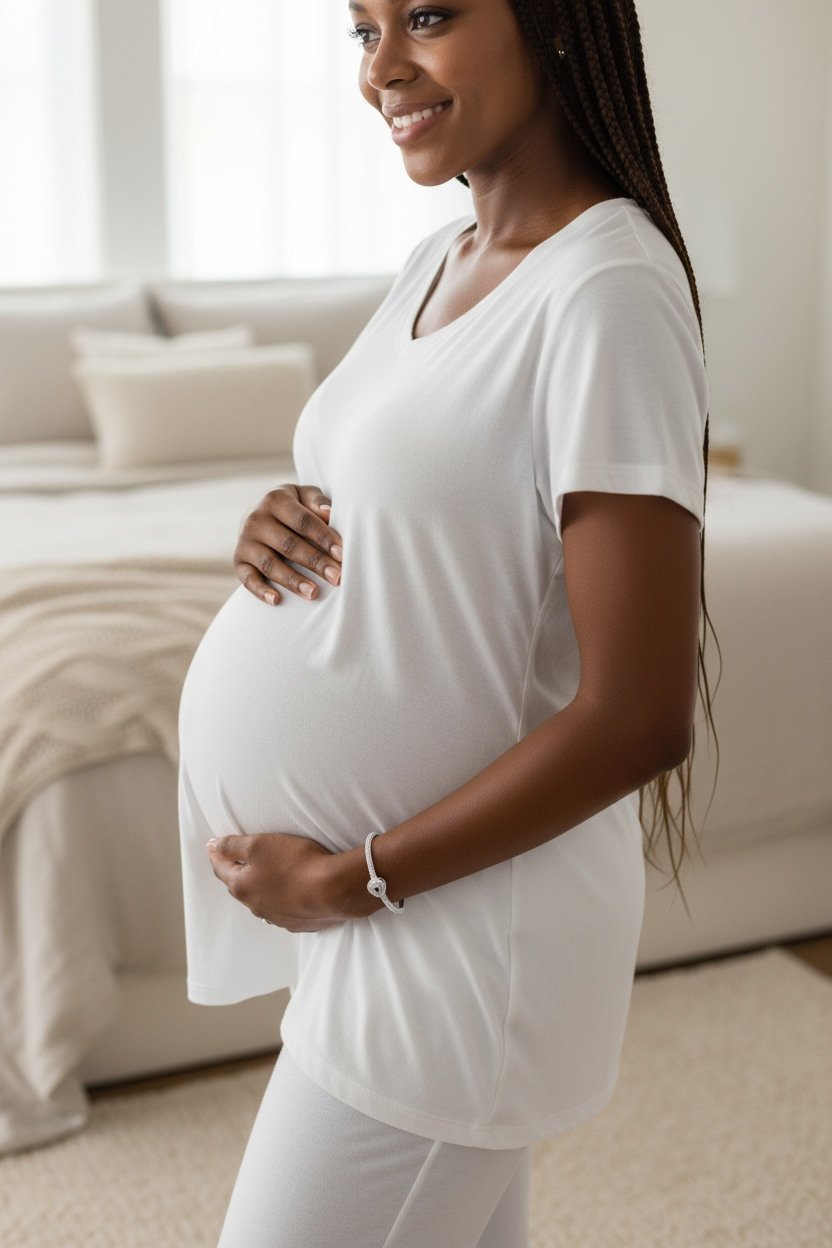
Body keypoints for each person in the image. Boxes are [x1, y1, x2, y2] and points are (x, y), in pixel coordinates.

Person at [177, 1, 714, 1244]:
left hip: (455, 938)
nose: (382, 69)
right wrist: (278, 517)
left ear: (559, 21)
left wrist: (356, 878)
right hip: (394, 919)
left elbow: (637, 716)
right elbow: (407, 494)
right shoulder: (442, 257)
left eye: (426, 15)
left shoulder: (610, 293)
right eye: (360, 28)